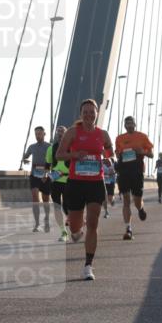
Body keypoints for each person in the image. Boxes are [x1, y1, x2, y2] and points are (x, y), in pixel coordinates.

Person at [56, 99, 114, 281]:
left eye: (92, 112)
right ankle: (75, 230)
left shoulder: (102, 134)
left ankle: (88, 265)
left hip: (96, 182)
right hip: (76, 182)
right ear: (81, 114)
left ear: (97, 113)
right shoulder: (73, 132)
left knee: (93, 223)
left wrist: (107, 158)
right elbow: (59, 154)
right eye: (85, 112)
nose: (89, 115)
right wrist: (74, 154)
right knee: (75, 227)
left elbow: (110, 151)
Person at [114, 116, 153, 240]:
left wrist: (142, 151)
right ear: (125, 126)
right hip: (124, 171)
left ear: (135, 124)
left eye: (131, 123)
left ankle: (140, 209)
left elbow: (151, 154)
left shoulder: (142, 136)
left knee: (136, 200)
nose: (129, 125)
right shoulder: (119, 138)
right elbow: (117, 153)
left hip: (137, 171)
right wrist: (119, 154)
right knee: (126, 200)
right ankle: (128, 228)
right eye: (127, 124)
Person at [21, 126, 52, 232]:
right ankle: (37, 223)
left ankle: (47, 218)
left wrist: (47, 173)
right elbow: (25, 157)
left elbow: (53, 162)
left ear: (44, 134)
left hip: (46, 175)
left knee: (45, 200)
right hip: (34, 175)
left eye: (39, 133)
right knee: (35, 198)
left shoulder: (49, 146)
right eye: (36, 134)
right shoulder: (32, 146)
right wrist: (25, 160)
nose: (37, 136)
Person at [45, 125, 71, 242]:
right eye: (58, 131)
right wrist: (46, 176)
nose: (60, 133)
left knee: (67, 206)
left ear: (66, 134)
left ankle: (72, 221)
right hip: (55, 180)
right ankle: (63, 232)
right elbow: (47, 164)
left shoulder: (71, 146)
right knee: (56, 207)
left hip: (68, 180)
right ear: (56, 134)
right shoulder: (52, 148)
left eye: (62, 131)